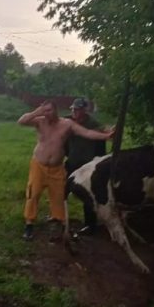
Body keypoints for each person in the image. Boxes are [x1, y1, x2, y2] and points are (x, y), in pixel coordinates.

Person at [18, 101, 113, 241]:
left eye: (49, 110)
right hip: (38, 165)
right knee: (33, 193)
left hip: (57, 167)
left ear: (56, 110)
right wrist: (37, 111)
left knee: (59, 196)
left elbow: (87, 132)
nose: (46, 113)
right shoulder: (39, 121)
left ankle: (62, 223)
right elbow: (21, 121)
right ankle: (29, 224)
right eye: (44, 111)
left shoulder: (67, 124)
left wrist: (106, 136)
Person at [64, 97, 108, 235]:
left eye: (77, 109)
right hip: (72, 162)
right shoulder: (68, 122)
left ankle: (90, 224)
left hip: (87, 165)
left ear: (84, 110)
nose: (74, 112)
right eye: (73, 109)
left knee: (87, 195)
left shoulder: (92, 123)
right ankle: (61, 219)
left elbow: (102, 136)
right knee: (63, 190)